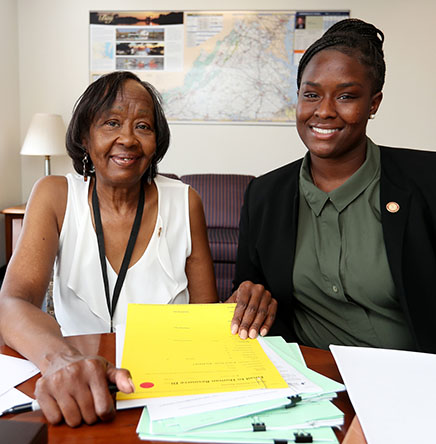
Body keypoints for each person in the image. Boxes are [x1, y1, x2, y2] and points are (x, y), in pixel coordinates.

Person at [0, 71, 276, 427]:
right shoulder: (54, 195)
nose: (127, 139)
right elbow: (11, 302)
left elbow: (203, 319)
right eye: (111, 123)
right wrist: (61, 360)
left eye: (143, 126)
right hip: (78, 385)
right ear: (84, 136)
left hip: (168, 390)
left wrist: (242, 304)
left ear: (156, 142)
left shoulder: (185, 202)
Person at [232, 18, 436, 354]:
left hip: (412, 381)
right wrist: (249, 298)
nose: (324, 111)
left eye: (346, 96)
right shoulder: (264, 196)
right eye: (311, 94)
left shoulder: (426, 181)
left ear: (373, 104)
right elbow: (250, 292)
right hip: (309, 379)